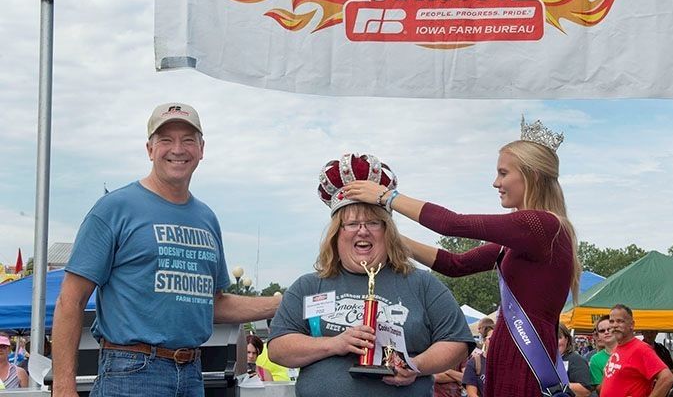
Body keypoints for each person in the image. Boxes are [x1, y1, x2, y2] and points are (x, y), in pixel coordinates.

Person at [52, 102, 281, 397]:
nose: (178, 149)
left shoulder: (207, 219)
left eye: (188, 140)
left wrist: (283, 303)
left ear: (201, 149)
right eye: (166, 140)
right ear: (149, 149)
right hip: (129, 372)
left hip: (191, 374)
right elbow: (70, 300)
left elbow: (216, 304)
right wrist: (63, 387)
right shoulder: (114, 209)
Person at [343, 117, 581, 397]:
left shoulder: (540, 225)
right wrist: (390, 238)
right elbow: (454, 264)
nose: (496, 182)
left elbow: (452, 224)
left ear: (532, 175)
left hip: (524, 355)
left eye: (503, 173)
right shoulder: (525, 237)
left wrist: (387, 197)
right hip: (514, 351)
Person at [268, 153, 474, 397]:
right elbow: (279, 348)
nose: (363, 231)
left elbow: (458, 343)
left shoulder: (422, 284)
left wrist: (415, 366)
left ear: (388, 232)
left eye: (374, 223)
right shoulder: (309, 285)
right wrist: (336, 343)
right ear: (337, 233)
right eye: (352, 224)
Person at [599, 304, 673, 397]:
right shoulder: (619, 347)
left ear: (632, 325)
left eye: (620, 321)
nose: (614, 325)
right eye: (612, 321)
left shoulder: (641, 349)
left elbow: (667, 378)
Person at [558, 323, 593, 397]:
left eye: (559, 337)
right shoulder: (543, 360)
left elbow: (585, 391)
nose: (555, 341)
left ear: (566, 339)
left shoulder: (576, 360)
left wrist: (558, 386)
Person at [462, 325, 494, 397]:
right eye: (491, 339)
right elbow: (472, 393)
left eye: (497, 338)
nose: (494, 341)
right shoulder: (474, 362)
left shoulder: (506, 364)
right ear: (484, 341)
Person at [589, 315, 615, 394]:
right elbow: (599, 391)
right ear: (598, 335)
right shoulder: (595, 359)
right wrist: (606, 375)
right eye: (602, 331)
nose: (606, 332)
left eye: (609, 329)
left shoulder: (631, 351)